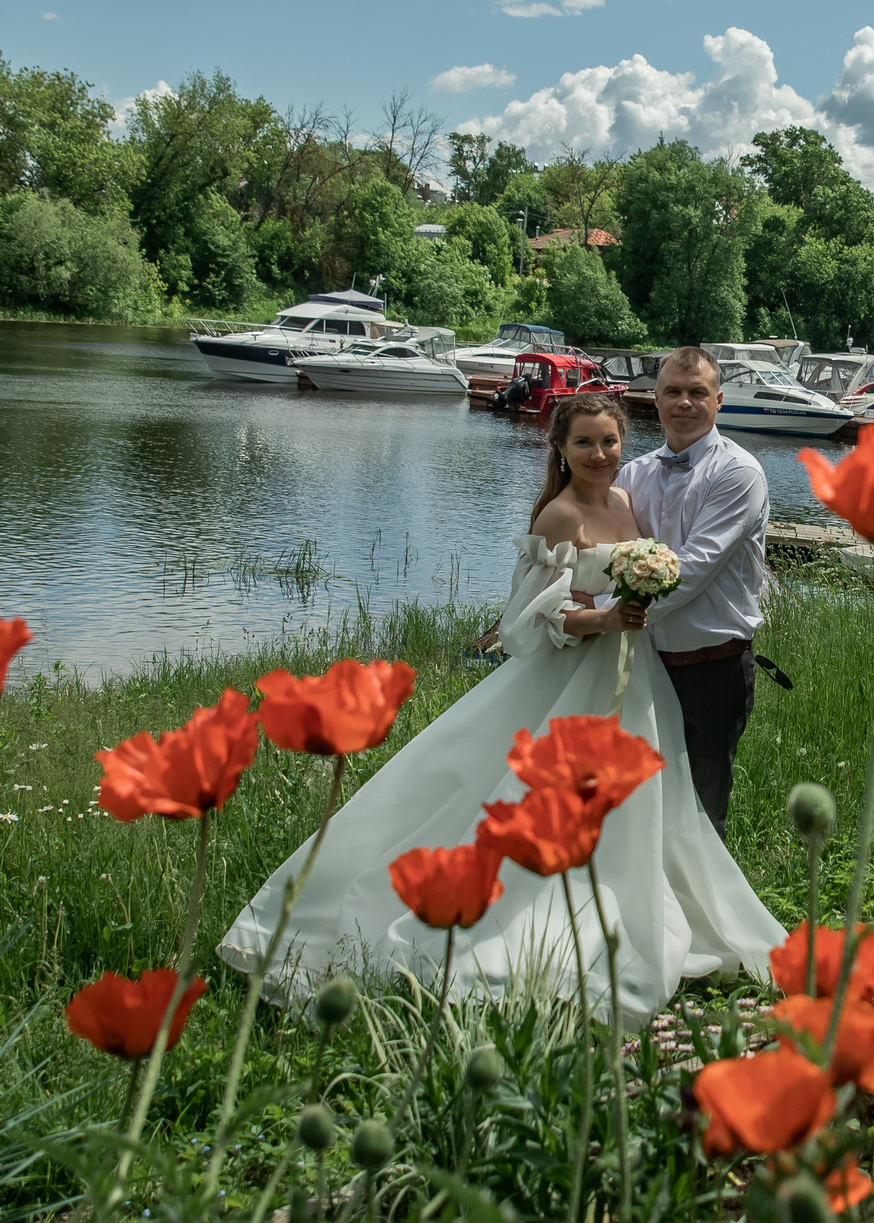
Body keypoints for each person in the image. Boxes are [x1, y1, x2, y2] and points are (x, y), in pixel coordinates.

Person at [215, 392, 782, 1028]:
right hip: (571, 676)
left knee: (638, 800)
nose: (599, 454)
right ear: (560, 449)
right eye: (584, 442)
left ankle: (630, 898)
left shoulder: (626, 501)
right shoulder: (559, 515)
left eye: (609, 441)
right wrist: (604, 618)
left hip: (633, 676)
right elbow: (530, 618)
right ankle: (510, 924)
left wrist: (637, 599)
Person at [613, 346, 770, 837]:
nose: (684, 402)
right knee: (637, 811)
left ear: (718, 400)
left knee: (700, 819)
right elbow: (610, 557)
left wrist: (604, 617)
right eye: (673, 392)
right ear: (655, 399)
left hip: (711, 671)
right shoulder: (631, 474)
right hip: (641, 667)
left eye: (697, 392)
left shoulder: (738, 473)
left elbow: (694, 568)